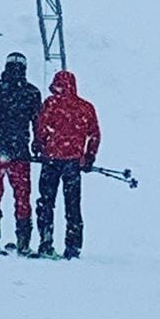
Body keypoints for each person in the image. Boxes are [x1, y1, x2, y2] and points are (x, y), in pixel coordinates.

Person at [0, 52, 42, 254]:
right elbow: (38, 123)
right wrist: (38, 146)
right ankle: (23, 241)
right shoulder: (31, 92)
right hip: (20, 153)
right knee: (22, 196)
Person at [33, 70, 100, 259]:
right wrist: (89, 157)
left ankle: (46, 242)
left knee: (46, 202)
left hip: (51, 161)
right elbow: (94, 134)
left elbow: (41, 129)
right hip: (73, 163)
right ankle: (73, 247)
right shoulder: (86, 107)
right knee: (73, 206)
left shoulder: (50, 104)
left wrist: (39, 146)